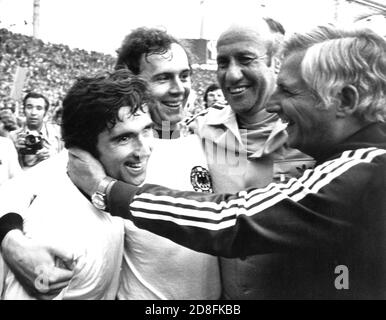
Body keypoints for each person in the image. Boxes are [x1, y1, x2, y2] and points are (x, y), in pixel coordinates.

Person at [67, 25, 386, 299]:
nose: (275, 103)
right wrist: (13, 232)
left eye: (288, 91)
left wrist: (107, 190)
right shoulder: (200, 131)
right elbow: (65, 169)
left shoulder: (360, 171)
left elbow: (229, 218)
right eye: (222, 62)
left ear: (345, 100)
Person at [186, 17, 314, 299]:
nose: (232, 75)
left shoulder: (314, 134)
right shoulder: (198, 131)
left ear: (275, 62)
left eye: (245, 59)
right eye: (223, 62)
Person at [0, 70, 154, 299]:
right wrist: (40, 279)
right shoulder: (55, 234)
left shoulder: (111, 183)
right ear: (85, 149)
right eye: (124, 138)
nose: (145, 150)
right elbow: (40, 284)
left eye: (147, 130)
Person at [111, 27, 221, 299]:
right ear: (131, 83)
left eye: (184, 76)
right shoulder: (113, 153)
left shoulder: (206, 144)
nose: (179, 89)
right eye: (163, 78)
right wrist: (12, 239)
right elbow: (22, 189)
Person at [10, 92, 63, 169]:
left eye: (39, 108)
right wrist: (13, 151)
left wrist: (54, 156)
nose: (33, 113)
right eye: (29, 107)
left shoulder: (58, 132)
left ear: (45, 112)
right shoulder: (13, 137)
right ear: (24, 109)